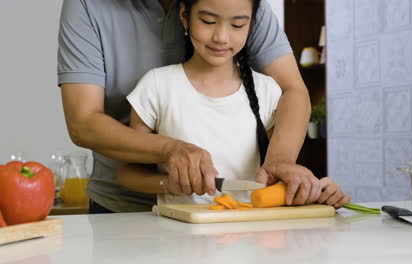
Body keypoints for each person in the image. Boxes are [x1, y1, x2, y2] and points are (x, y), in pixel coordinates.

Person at [57, 0, 349, 213]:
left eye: (237, 25)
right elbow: (84, 123)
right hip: (121, 207)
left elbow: (292, 91)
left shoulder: (239, 14)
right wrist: (170, 153)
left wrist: (283, 163)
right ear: (186, 16)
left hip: (238, 221)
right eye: (208, 22)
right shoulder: (89, 7)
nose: (222, 36)